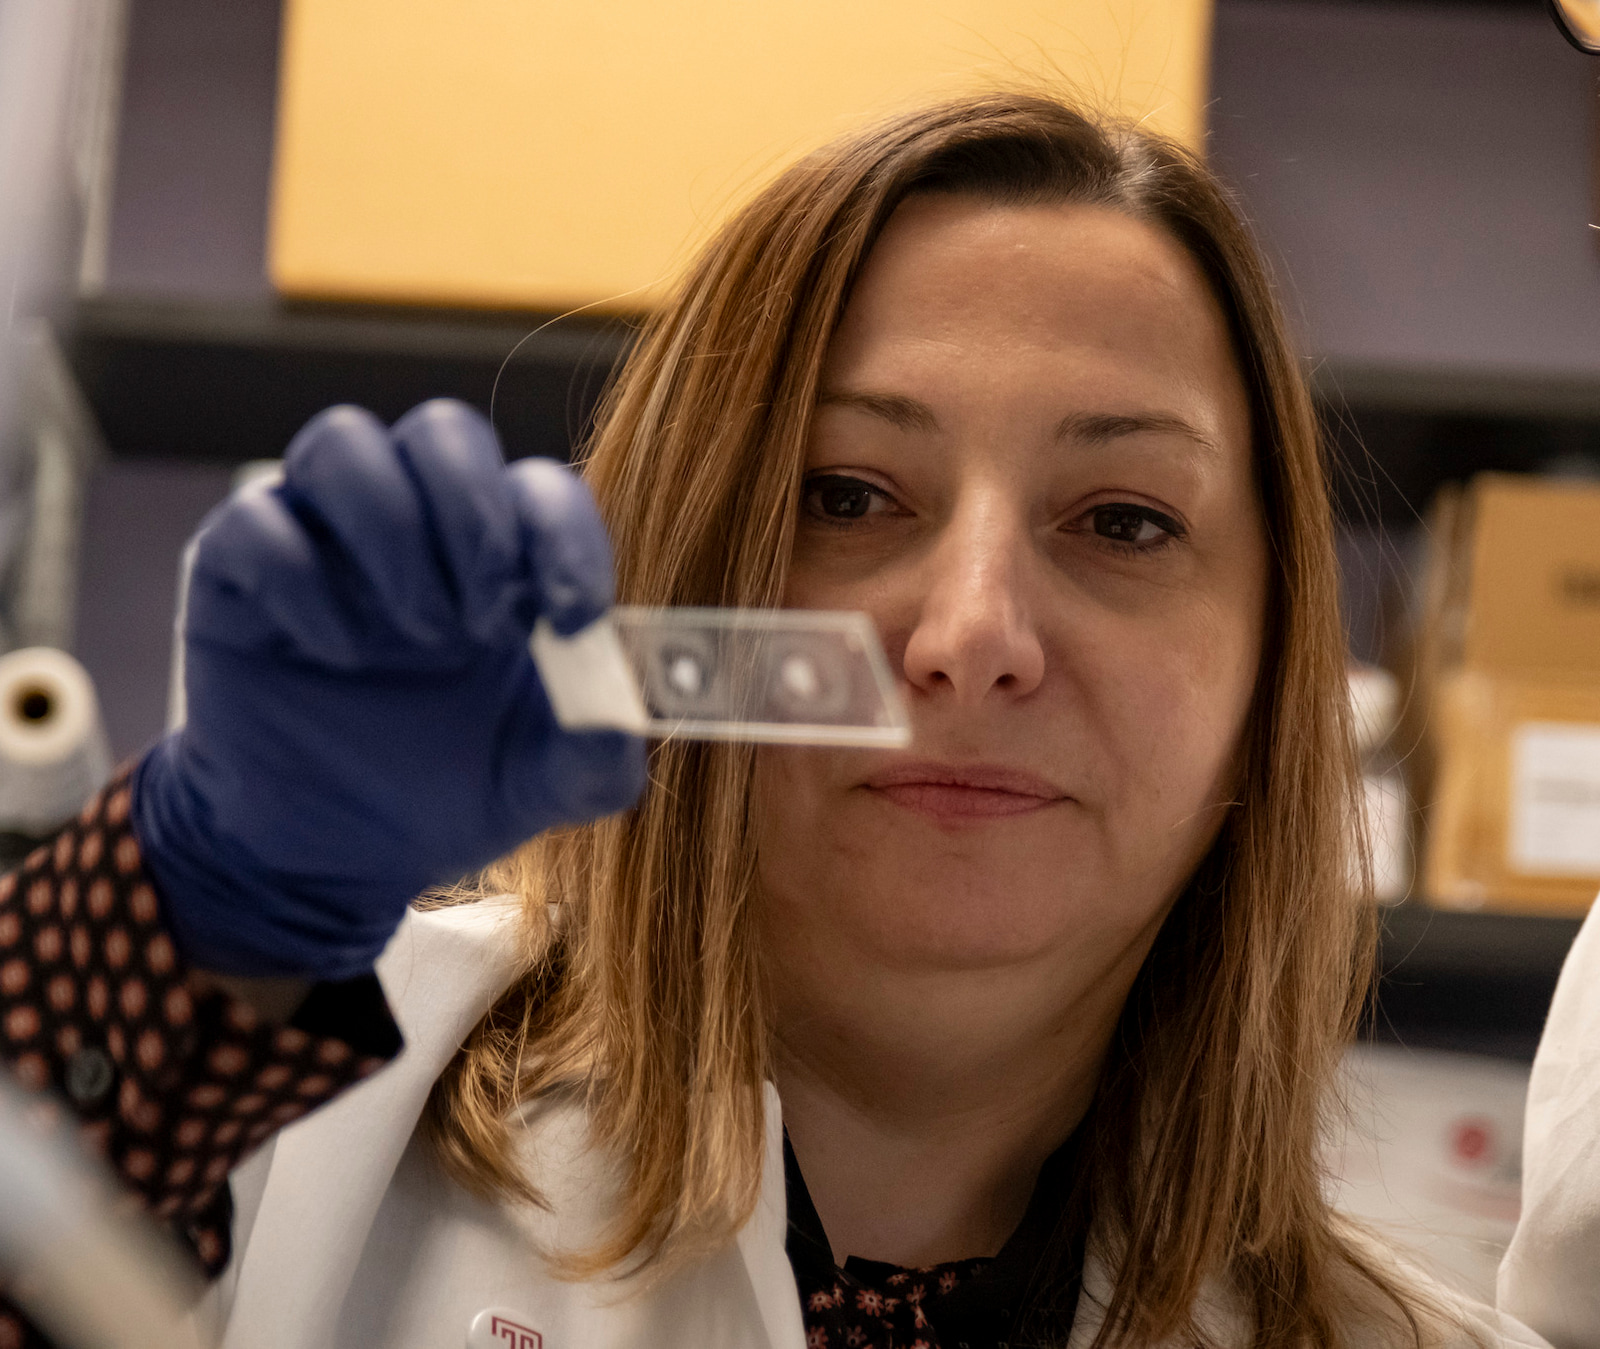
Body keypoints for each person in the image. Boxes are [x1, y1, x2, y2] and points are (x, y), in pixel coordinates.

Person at [0, 92, 1554, 1349]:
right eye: (846, 495)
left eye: (1127, 521)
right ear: (680, 571)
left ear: (1270, 679)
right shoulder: (277, 1145)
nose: (973, 638)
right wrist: (195, 902)